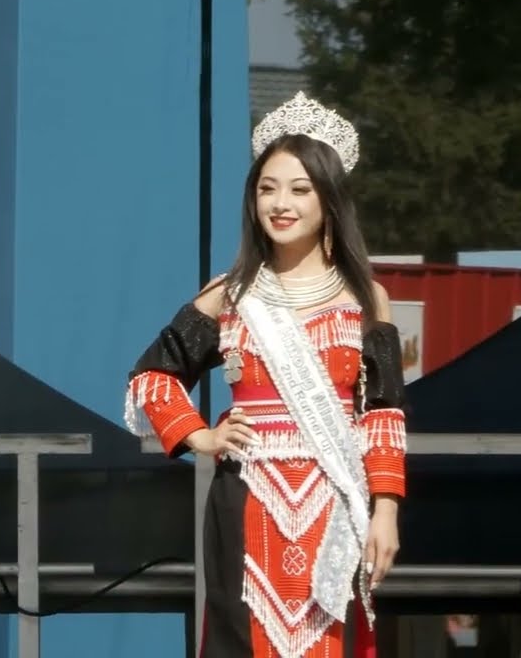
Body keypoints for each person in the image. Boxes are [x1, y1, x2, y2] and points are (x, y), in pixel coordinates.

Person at [125, 92, 407, 657]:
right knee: (240, 632)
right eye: (267, 188)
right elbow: (151, 377)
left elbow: (383, 413)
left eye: (300, 190)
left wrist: (386, 510)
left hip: (335, 498)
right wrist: (201, 435)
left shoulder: (364, 299)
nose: (281, 203)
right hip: (248, 495)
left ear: (329, 200)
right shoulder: (227, 295)